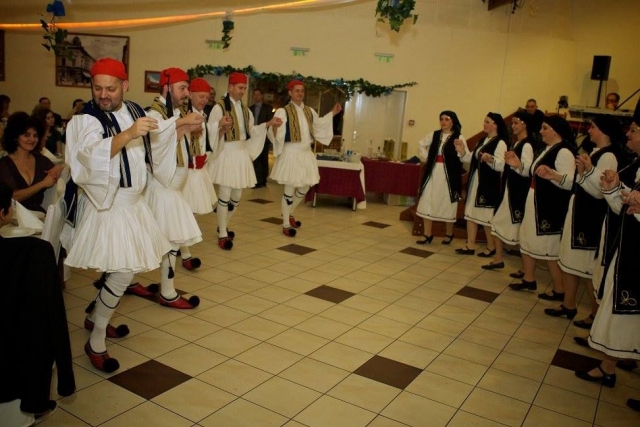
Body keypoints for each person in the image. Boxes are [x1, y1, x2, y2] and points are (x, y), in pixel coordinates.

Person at [64, 58, 200, 373]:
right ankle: (96, 340)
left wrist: (181, 126)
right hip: (109, 205)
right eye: (97, 88)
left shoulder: (135, 110)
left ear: (125, 85)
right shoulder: (86, 119)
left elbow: (157, 138)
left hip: (133, 204)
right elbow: (86, 158)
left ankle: (95, 317)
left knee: (122, 269)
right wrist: (127, 135)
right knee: (124, 272)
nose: (103, 95)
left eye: (110, 88)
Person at [0, 183, 75, 425]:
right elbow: (54, 320)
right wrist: (65, 379)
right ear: (4, 214)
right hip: (14, 362)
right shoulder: (32, 253)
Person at [574, 120, 640, 389]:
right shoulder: (636, 164)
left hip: (633, 252)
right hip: (625, 243)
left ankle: (612, 363)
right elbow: (622, 207)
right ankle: (611, 363)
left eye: (634, 130)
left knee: (625, 310)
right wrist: (615, 188)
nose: (629, 134)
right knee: (620, 310)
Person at [544, 115, 628, 321]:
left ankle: (594, 314)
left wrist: (585, 173)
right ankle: (568, 304)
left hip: (591, 217)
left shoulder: (608, 156)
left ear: (604, 131)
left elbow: (601, 191)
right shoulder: (595, 152)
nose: (589, 131)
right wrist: (577, 175)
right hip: (578, 210)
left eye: (593, 127)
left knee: (588, 268)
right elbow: (582, 181)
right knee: (569, 261)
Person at [145, 67, 207, 304]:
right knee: (164, 240)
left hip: (173, 188)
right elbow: (156, 145)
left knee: (168, 239)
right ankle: (167, 292)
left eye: (187, 88)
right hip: (162, 188)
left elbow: (174, 138)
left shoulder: (176, 112)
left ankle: (164, 289)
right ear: (166, 88)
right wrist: (183, 124)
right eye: (182, 88)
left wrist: (187, 127)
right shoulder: (155, 113)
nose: (186, 93)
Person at [207, 72, 280, 249]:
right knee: (224, 195)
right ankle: (223, 233)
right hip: (226, 152)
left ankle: (223, 225)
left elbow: (251, 131)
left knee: (236, 196)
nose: (242, 91)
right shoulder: (219, 107)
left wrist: (268, 124)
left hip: (240, 154)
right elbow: (209, 130)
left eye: (244, 88)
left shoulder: (245, 109)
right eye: (240, 88)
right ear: (230, 87)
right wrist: (219, 125)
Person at [509, 115, 576, 294]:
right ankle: (529, 278)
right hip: (535, 199)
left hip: (549, 206)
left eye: (545, 128)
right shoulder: (547, 149)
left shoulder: (563, 152)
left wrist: (554, 175)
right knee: (527, 239)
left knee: (548, 248)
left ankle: (560, 289)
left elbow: (570, 182)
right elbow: (533, 173)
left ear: (556, 130)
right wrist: (518, 165)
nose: (540, 131)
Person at [268, 79, 341, 237]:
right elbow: (275, 132)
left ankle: (289, 212)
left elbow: (319, 125)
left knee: (306, 186)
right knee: (289, 189)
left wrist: (333, 113)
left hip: (306, 153)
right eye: (297, 90)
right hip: (291, 153)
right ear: (290, 93)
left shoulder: (309, 111)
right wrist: (274, 128)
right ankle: (286, 224)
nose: (300, 93)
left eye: (302, 91)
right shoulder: (283, 111)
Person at [482, 111, 538, 270]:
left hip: (517, 191)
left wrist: (517, 165)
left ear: (524, 124)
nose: (512, 126)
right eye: (512, 123)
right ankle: (499, 258)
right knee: (497, 223)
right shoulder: (516, 143)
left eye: (515, 123)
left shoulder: (527, 145)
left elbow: (528, 170)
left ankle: (525, 269)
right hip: (508, 188)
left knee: (518, 230)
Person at [179, 77, 224, 269]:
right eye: (201, 96)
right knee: (185, 212)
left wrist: (219, 128)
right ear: (190, 95)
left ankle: (180, 245)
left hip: (199, 170)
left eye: (207, 97)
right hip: (186, 172)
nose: (205, 100)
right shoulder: (183, 114)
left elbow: (208, 139)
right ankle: (185, 253)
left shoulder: (202, 115)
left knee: (193, 211)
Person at [455, 113, 508, 257]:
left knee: (486, 216)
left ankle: (491, 247)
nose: (484, 124)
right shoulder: (482, 140)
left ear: (495, 125)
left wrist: (490, 160)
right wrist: (462, 151)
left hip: (488, 183)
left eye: (487, 122)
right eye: (484, 121)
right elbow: (472, 158)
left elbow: (502, 165)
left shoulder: (500, 143)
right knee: (471, 212)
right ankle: (470, 245)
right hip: (476, 180)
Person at [415, 110, 467, 245]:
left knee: (447, 202)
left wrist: (461, 150)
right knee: (427, 199)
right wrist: (427, 157)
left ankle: (449, 232)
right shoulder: (434, 134)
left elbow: (464, 157)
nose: (443, 122)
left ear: (452, 121)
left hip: (448, 176)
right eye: (441, 119)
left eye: (446, 119)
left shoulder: (459, 137)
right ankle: (427, 233)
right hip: (433, 173)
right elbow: (421, 144)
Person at [0, 112, 64, 212]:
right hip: (13, 217)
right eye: (27, 135)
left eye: (35, 135)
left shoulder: (40, 160)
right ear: (15, 137)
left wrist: (59, 167)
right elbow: (13, 197)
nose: (32, 139)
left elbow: (65, 168)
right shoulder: (5, 164)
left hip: (38, 215)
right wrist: (42, 184)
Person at [250, 88, 274, 188]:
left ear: (262, 95)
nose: (256, 96)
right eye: (254, 95)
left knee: (264, 158)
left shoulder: (268, 108)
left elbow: (270, 122)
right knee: (256, 157)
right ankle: (257, 181)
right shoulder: (250, 109)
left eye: (258, 94)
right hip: (254, 137)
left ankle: (263, 179)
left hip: (264, 136)